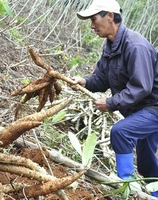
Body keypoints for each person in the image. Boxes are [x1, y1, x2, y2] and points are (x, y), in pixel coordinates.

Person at [74, 0, 158, 197]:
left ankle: (126, 188)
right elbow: (102, 80)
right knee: (146, 162)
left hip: (154, 107)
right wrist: (84, 82)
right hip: (140, 109)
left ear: (110, 16)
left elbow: (141, 86)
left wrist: (110, 103)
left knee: (120, 132)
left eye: (94, 19)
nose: (92, 26)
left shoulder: (135, 46)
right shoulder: (110, 47)